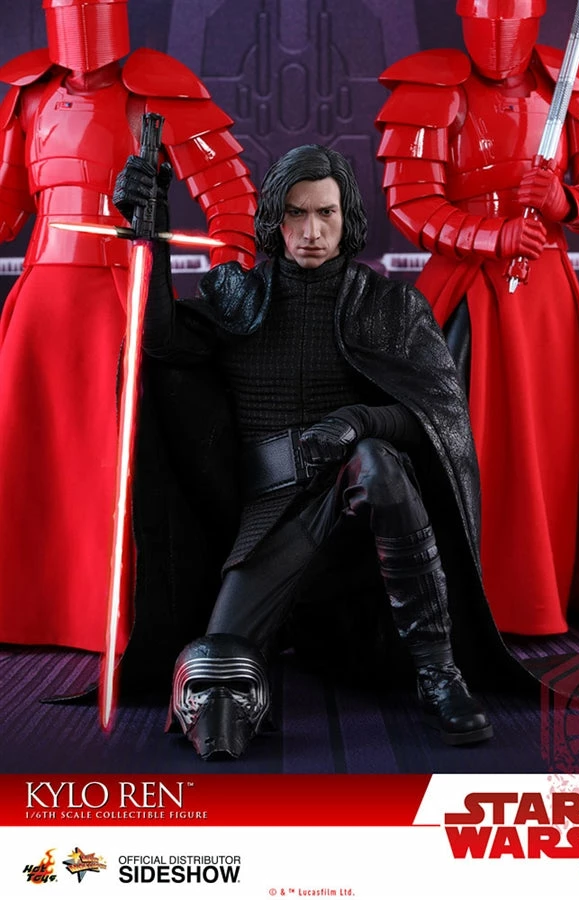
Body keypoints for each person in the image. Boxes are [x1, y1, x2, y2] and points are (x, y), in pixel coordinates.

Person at [113, 142, 541, 761]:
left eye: (326, 213)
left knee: (376, 461)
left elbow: (436, 418)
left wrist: (356, 420)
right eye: (296, 213)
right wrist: (150, 237)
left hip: (366, 526)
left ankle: (439, 673)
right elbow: (158, 340)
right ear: (274, 219)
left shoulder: (390, 306)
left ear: (347, 218)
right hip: (273, 522)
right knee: (217, 681)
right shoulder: (240, 299)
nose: (311, 231)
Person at [0, 0, 256, 653]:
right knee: (29, 459)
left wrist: (229, 276)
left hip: (122, 296)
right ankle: (27, 612)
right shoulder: (29, 97)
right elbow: (5, 210)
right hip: (41, 303)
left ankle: (114, 616)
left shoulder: (156, 91)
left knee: (120, 466)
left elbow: (232, 199)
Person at [375, 0, 579, 636]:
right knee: (458, 440)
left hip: (544, 292)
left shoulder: (570, 84)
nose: (498, 35)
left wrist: (565, 200)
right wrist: (493, 235)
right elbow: (411, 204)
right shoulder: (434, 86)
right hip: (463, 287)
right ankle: (455, 596)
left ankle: (540, 588)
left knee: (547, 438)